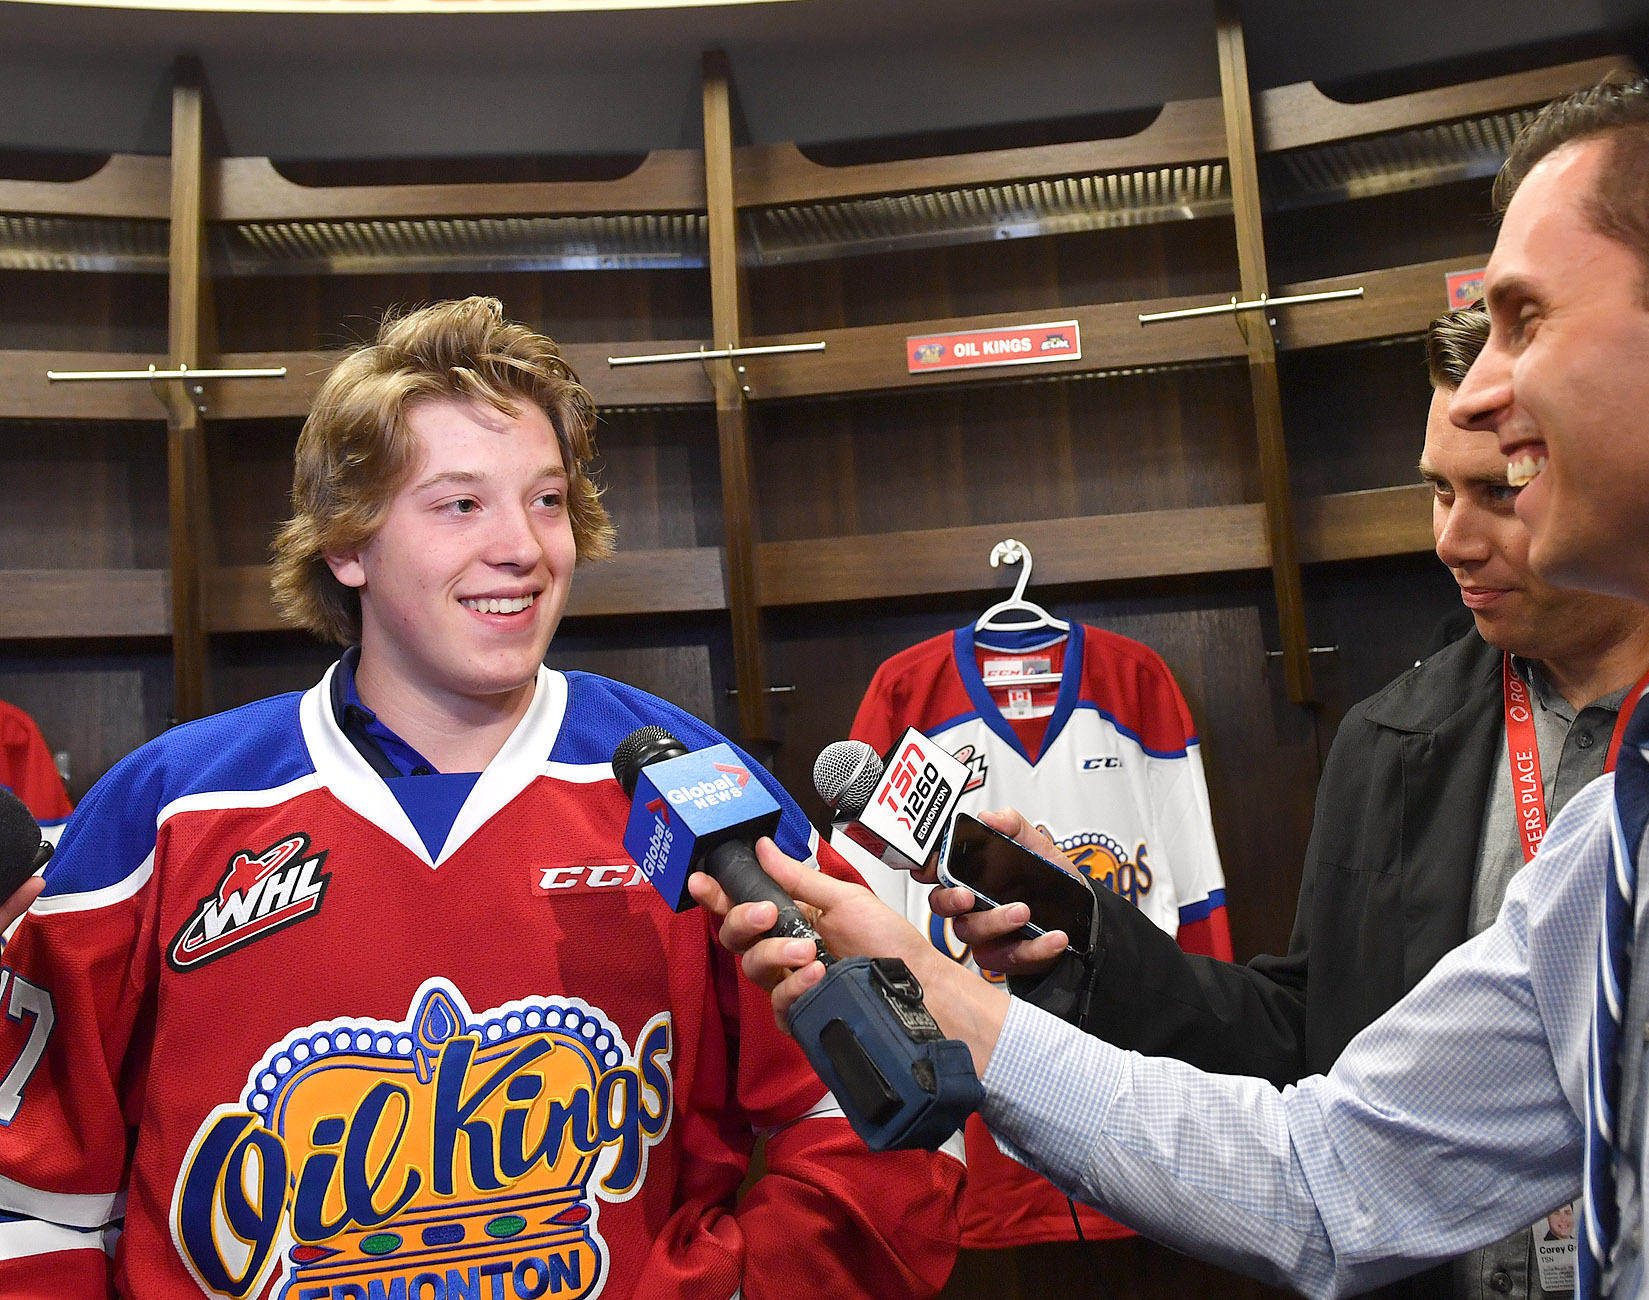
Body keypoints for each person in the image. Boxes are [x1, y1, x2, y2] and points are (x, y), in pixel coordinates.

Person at [701, 80, 1649, 1299]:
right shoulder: (1646, 814)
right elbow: (1329, 1173)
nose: (1489, 391)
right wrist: (939, 998)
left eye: (1526, 320)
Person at [0, 297, 962, 1299]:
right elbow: (31, 1201)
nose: (523, 548)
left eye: (546, 500)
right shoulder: (163, 814)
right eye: (461, 504)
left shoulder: (704, 789)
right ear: (349, 544)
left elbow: (891, 1116)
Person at [950, 304, 1649, 1300]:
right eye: (1435, 489)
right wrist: (1084, 933)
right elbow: (1310, 1036)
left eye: (1498, 491)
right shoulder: (1387, 741)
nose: (1452, 539)